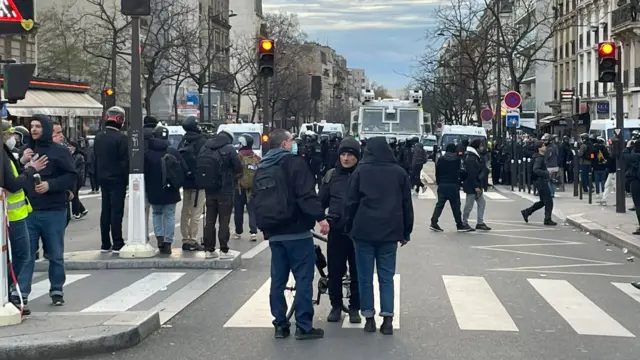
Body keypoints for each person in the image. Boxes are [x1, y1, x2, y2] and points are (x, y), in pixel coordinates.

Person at [251, 129, 329, 340]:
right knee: (303, 279)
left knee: (278, 280)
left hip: (274, 233)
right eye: (292, 140)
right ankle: (304, 326)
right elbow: (306, 194)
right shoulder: (294, 163)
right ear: (285, 144)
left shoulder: (262, 167)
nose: (295, 144)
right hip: (296, 231)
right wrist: (320, 218)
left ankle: (280, 324)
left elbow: (255, 201)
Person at [343, 136, 413, 335]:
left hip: (363, 231)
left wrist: (349, 226)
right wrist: (406, 231)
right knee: (386, 277)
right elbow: (406, 205)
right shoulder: (399, 173)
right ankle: (388, 319)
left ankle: (369, 318)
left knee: (365, 277)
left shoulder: (361, 171)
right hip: (390, 231)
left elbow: (351, 203)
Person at [21, 114, 77, 306]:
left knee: (55, 253)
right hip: (28, 210)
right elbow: (13, 178)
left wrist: (50, 185)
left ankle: (56, 290)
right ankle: (22, 292)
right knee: (26, 254)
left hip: (54, 209)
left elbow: (71, 176)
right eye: (32, 126)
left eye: (38, 126)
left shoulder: (59, 152)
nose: (34, 129)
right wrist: (22, 162)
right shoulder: (26, 151)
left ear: (45, 128)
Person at [2, 121, 48, 315]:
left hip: (15, 214)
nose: (13, 138)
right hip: (12, 216)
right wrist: (31, 169)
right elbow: (11, 183)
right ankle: (10, 290)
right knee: (22, 255)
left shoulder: (5, 151)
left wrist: (22, 165)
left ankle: (10, 291)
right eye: (9, 134)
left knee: (17, 255)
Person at [318, 136, 361, 324]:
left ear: (357, 157)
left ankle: (354, 308)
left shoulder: (363, 175)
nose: (346, 158)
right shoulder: (331, 175)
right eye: (343, 154)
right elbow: (320, 202)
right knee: (335, 271)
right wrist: (322, 219)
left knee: (358, 272)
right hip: (336, 231)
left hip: (358, 233)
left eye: (350, 155)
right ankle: (335, 306)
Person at [198, 129, 242, 259]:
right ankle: (224, 249)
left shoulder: (205, 147)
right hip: (225, 189)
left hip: (209, 189)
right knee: (224, 219)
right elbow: (238, 167)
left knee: (210, 220)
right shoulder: (229, 149)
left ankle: (209, 249)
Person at [145, 125, 187, 254]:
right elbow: (184, 168)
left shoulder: (147, 153)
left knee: (156, 214)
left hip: (153, 189)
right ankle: (168, 243)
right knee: (170, 216)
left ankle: (159, 238)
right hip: (170, 189)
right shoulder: (172, 151)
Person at [93, 106, 129, 253]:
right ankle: (117, 241)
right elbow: (124, 161)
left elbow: (95, 158)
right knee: (116, 211)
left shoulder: (99, 137)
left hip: (102, 177)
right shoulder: (122, 138)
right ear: (121, 120)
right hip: (117, 178)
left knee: (105, 210)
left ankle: (105, 242)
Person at [178, 116, 207, 251]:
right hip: (199, 181)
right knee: (197, 211)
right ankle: (193, 239)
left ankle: (185, 238)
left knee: (186, 211)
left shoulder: (183, 141)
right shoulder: (201, 141)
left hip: (186, 181)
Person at [430, 143, 469, 232]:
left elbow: (437, 172)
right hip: (453, 185)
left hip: (443, 184)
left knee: (439, 205)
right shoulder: (458, 160)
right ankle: (459, 224)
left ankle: (434, 222)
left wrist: (439, 182)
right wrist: (461, 181)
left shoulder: (441, 159)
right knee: (456, 206)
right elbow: (463, 172)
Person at [521, 140, 557, 226]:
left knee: (543, 201)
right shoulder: (539, 158)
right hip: (541, 181)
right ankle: (547, 219)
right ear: (539, 148)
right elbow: (536, 169)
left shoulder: (538, 157)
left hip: (539, 181)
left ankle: (527, 212)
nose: (545, 147)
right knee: (549, 201)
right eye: (543, 146)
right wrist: (546, 173)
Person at [233, 133, 260, 241]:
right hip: (253, 189)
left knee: (238, 211)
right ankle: (253, 232)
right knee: (252, 211)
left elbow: (235, 171)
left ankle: (238, 232)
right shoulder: (256, 157)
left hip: (239, 188)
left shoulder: (238, 156)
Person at [461, 139, 491, 231]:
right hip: (472, 186)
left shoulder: (474, 156)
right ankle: (464, 223)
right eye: (481, 146)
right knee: (469, 205)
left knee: (481, 203)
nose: (482, 148)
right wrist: (476, 187)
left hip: (474, 184)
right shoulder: (471, 158)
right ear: (477, 147)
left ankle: (480, 223)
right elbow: (471, 174)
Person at [68, 140, 87, 219]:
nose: (70, 148)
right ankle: (82, 210)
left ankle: (76, 213)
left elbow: (74, 167)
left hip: (77, 178)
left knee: (74, 195)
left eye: (72, 146)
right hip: (74, 178)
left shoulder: (79, 156)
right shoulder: (71, 155)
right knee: (75, 195)